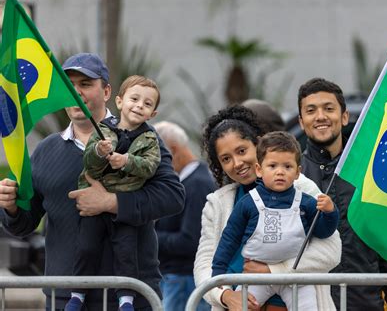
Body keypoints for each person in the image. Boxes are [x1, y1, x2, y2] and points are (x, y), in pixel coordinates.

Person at [0, 53, 185, 310]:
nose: (76, 93)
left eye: (86, 84)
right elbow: (23, 224)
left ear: (107, 91)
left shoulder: (142, 137)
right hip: (64, 298)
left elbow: (172, 197)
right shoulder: (45, 150)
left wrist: (112, 202)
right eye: (69, 85)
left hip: (129, 296)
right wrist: (10, 207)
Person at [194, 105, 341, 311]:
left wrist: (274, 270)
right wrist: (224, 295)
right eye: (226, 159)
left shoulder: (303, 189)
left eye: (242, 150)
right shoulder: (217, 203)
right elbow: (205, 263)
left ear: (259, 145)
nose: (237, 163)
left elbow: (331, 251)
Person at [297, 77, 387, 310]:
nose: (320, 117)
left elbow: (382, 236)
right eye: (311, 110)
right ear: (301, 121)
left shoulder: (370, 172)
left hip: (364, 302)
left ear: (344, 117)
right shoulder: (291, 177)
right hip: (310, 302)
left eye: (329, 108)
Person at [66, 75, 162, 311]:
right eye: (134, 99)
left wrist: (127, 161)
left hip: (126, 207)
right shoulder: (102, 132)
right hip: (92, 206)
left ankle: (126, 300)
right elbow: (89, 163)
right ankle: (77, 294)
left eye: (147, 104)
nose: (139, 105)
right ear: (119, 102)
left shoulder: (151, 139)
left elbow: (150, 167)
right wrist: (99, 151)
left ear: (153, 114)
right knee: (86, 248)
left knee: (127, 253)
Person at [153, 121, 216, 311]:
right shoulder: (186, 181)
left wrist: (150, 237)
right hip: (177, 278)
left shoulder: (197, 184)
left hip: (184, 279)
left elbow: (191, 240)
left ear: (171, 151)